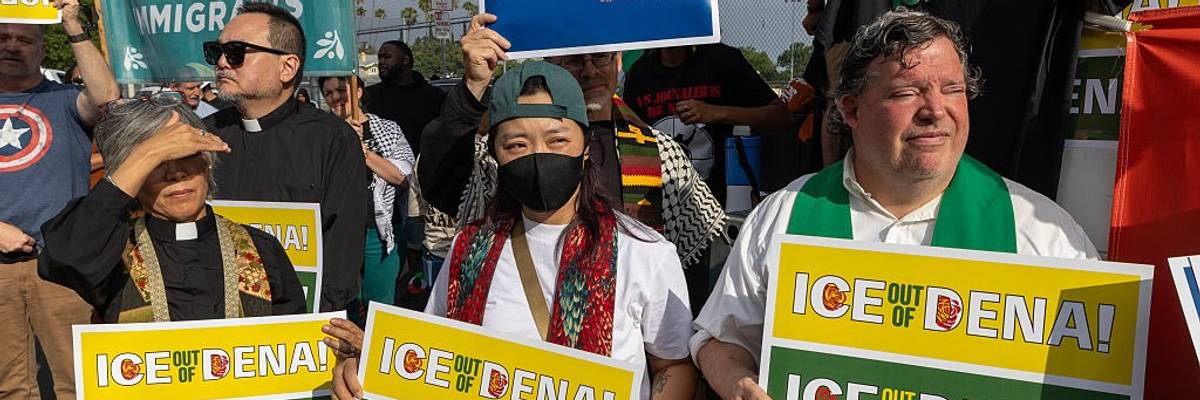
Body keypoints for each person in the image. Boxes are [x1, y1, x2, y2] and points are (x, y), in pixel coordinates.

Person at [690, 10, 1099, 400]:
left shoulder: (1042, 233)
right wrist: (739, 384)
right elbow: (721, 339)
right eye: (907, 92)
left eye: (953, 89)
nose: (935, 111)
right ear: (850, 109)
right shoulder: (785, 215)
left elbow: (1093, 373)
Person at [325, 62, 698, 400]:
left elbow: (673, 366)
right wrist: (371, 365)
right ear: (496, 155)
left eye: (557, 140)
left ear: (585, 147)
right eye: (517, 144)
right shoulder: (469, 249)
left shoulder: (643, 251)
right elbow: (433, 361)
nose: (538, 155)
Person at [419, 14, 727, 314]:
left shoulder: (659, 151)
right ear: (552, 65)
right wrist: (473, 86)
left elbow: (698, 257)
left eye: (600, 58)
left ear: (618, 61)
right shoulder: (514, 149)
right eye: (575, 60)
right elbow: (444, 184)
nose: (590, 71)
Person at [39, 94, 307, 322]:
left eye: (186, 155)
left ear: (208, 160)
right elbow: (64, 259)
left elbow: (292, 341)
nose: (176, 173)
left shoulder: (261, 249)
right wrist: (148, 153)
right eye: (156, 162)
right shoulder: (112, 255)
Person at [202, 2, 369, 313]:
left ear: (287, 67)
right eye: (216, 51)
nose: (222, 62)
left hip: (296, 325)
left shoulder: (332, 140)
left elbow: (341, 254)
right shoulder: (203, 135)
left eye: (236, 52)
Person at [0, 0, 119, 397]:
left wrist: (71, 23)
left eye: (25, 40)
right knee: (10, 387)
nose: (12, 46)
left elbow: (106, 96)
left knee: (78, 382)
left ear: (41, 48)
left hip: (60, 266)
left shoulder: (66, 98)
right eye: (2, 38)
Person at [622, 43, 794, 206]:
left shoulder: (722, 60)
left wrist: (719, 113)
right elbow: (629, 143)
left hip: (719, 203)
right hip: (661, 202)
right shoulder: (639, 73)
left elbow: (781, 117)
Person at [319, 75, 415, 317]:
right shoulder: (320, 132)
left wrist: (364, 153)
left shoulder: (388, 128)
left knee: (379, 305)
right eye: (328, 93)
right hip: (338, 233)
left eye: (341, 90)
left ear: (358, 91)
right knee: (343, 303)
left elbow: (403, 177)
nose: (335, 98)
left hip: (379, 233)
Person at [364, 39, 445, 154]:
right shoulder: (369, 95)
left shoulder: (434, 96)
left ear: (405, 60)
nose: (381, 62)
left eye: (387, 57)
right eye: (379, 58)